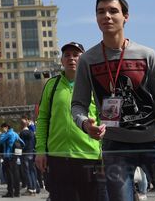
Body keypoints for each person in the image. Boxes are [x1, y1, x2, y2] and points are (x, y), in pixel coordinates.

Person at [71, 0, 155, 201]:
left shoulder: (147, 54)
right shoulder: (87, 60)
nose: (106, 16)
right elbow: (78, 105)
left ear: (126, 16)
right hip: (115, 146)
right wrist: (85, 124)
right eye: (100, 12)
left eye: (113, 11)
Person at [35, 41, 104, 201]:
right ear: (61, 61)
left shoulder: (95, 84)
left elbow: (104, 119)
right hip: (58, 157)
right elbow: (43, 119)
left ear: (84, 59)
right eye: (67, 55)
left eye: (76, 55)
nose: (71, 58)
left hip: (89, 157)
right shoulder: (51, 85)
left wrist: (104, 153)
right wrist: (40, 151)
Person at [0, 122, 23, 198]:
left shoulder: (8, 134)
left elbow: (0, 141)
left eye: (3, 128)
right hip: (15, 156)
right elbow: (23, 143)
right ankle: (17, 192)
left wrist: (3, 134)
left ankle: (10, 192)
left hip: (8, 156)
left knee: (9, 175)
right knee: (16, 174)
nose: (2, 130)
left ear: (6, 127)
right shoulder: (15, 134)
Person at [18, 117, 38, 195]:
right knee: (32, 171)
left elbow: (21, 144)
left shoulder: (22, 133)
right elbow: (35, 143)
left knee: (27, 171)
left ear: (21, 125)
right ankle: (34, 188)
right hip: (32, 153)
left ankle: (30, 188)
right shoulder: (32, 133)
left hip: (25, 154)